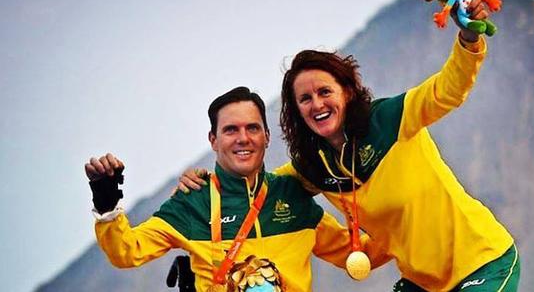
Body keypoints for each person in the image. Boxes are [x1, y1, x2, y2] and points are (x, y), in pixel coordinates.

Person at [180, 0, 520, 291]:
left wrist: (469, 41)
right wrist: (205, 187)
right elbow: (258, 189)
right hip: (424, 282)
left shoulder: (389, 119)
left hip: (483, 261)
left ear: (347, 91)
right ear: (296, 112)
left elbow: (447, 91)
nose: (317, 104)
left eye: (325, 91)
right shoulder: (315, 166)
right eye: (305, 99)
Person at [85, 87, 389, 292]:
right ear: (213, 140)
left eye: (252, 128)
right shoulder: (194, 201)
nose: (243, 138)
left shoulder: (291, 196)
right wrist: (107, 202)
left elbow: (358, 254)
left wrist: (413, 214)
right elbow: (127, 252)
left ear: (267, 137)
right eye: (231, 130)